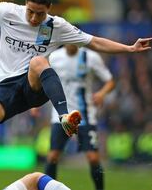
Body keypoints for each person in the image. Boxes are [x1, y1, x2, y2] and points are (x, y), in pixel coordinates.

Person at [0, 0, 152, 190]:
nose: (33, 18)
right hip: (6, 85)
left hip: (34, 84)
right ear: (25, 3)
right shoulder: (8, 12)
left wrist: (129, 49)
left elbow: (93, 41)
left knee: (38, 61)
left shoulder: (55, 26)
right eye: (30, 11)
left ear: (48, 9)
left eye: (39, 14)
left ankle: (65, 118)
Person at [44, 44, 115, 190]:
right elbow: (41, 79)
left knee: (93, 158)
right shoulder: (54, 57)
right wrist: (33, 105)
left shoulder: (91, 57)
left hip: (85, 116)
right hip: (61, 115)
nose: (72, 45)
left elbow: (110, 81)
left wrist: (101, 93)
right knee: (52, 157)